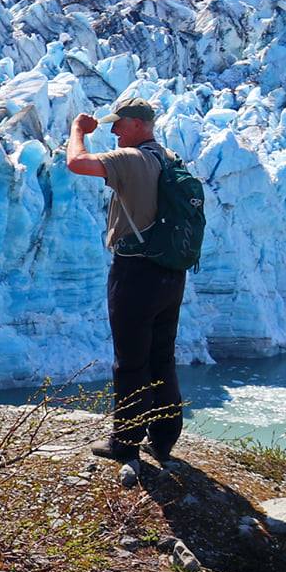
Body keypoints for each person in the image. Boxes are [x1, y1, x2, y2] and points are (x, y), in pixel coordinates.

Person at [67, 96, 185, 463]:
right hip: (170, 272)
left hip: (136, 273)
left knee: (130, 359)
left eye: (119, 123)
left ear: (137, 124)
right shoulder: (168, 158)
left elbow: (77, 162)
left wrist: (78, 130)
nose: (114, 130)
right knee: (162, 355)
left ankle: (126, 441)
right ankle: (164, 437)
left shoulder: (132, 159)